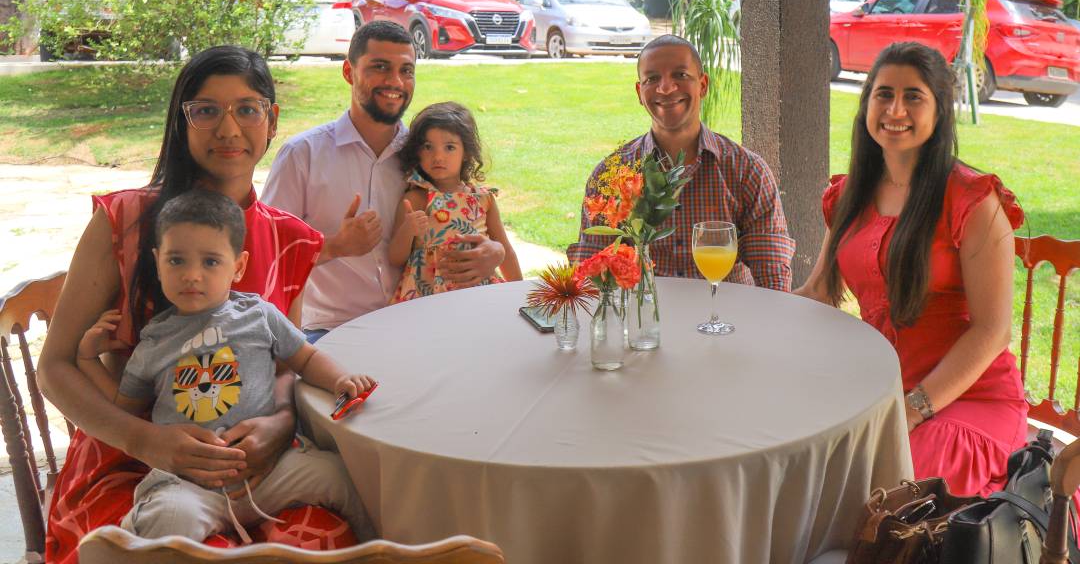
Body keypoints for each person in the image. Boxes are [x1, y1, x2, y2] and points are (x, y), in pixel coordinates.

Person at [37, 46, 352, 563]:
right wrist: (147, 441)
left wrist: (278, 426)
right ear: (182, 122)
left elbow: (285, 365)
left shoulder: (290, 238)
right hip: (128, 465)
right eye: (206, 110)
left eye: (247, 109)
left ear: (272, 121)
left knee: (329, 535)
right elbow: (53, 368)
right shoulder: (125, 220)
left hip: (257, 467)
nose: (228, 129)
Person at [794, 41, 1027, 497]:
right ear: (867, 104)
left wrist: (914, 407)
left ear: (939, 110)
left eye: (913, 96)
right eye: (883, 94)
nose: (895, 109)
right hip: (882, 390)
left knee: (889, 486)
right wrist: (744, 316)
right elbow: (818, 292)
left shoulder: (973, 200)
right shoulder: (849, 196)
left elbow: (993, 331)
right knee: (795, 453)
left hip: (969, 399)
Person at [77, 189, 374, 543]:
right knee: (166, 519)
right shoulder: (153, 341)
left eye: (210, 262)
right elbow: (125, 409)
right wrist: (88, 361)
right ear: (157, 262)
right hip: (189, 485)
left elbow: (306, 358)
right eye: (176, 260)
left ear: (239, 266)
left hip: (272, 471)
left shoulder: (259, 315)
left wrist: (340, 379)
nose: (192, 275)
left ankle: (379, 551)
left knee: (338, 475)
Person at [263, 21, 504, 341]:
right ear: (348, 72)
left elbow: (470, 213)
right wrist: (336, 246)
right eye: (380, 67)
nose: (395, 81)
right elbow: (267, 254)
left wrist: (494, 252)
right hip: (333, 331)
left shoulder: (426, 156)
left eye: (406, 70)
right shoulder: (303, 155)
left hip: (421, 322)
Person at [567, 34, 794, 291]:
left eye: (680, 75)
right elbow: (591, 277)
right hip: (647, 315)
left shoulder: (747, 171)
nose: (666, 88)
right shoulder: (612, 175)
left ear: (703, 85)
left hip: (727, 314)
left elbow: (773, 280)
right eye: (652, 79)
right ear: (639, 93)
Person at [388, 102, 521, 302]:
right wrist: (407, 230)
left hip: (477, 294)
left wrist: (520, 296)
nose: (438, 156)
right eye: (428, 147)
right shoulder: (416, 199)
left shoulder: (483, 199)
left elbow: (506, 251)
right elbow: (395, 258)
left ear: (466, 152)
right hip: (428, 297)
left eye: (449, 147)